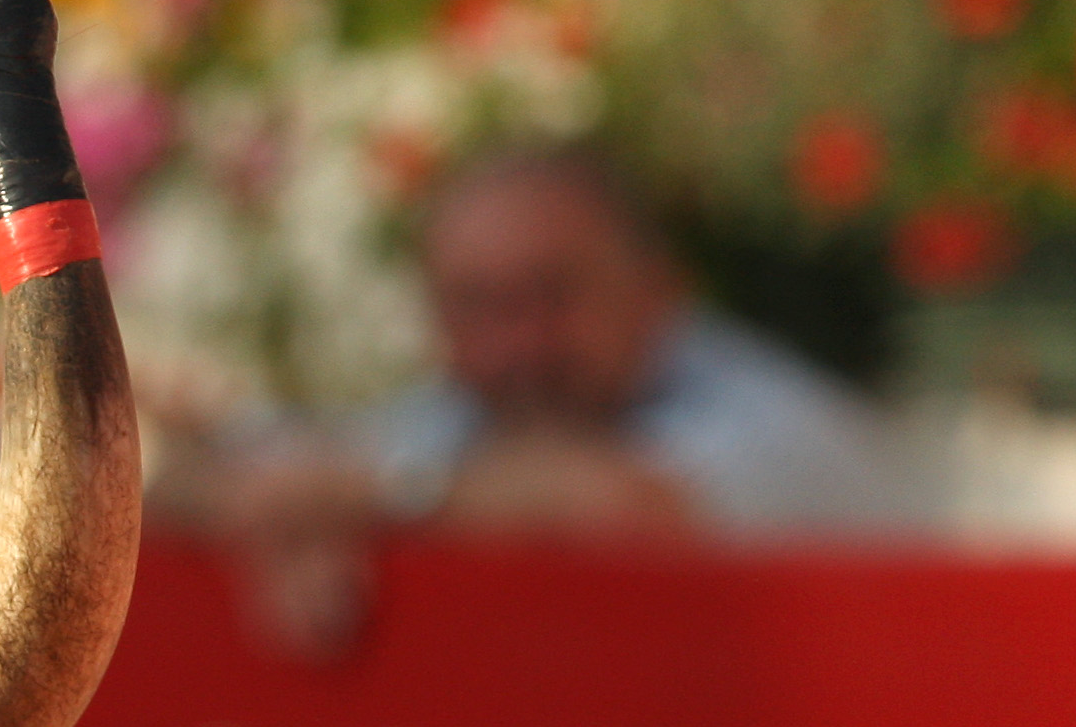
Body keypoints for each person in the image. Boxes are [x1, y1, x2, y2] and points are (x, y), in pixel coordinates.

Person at [198, 145, 899, 649]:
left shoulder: (782, 418)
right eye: (475, 307)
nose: (517, 345)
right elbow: (197, 473)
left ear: (657, 289)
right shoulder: (457, 421)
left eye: (552, 296)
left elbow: (626, 507)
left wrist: (375, 503)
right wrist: (291, 518)